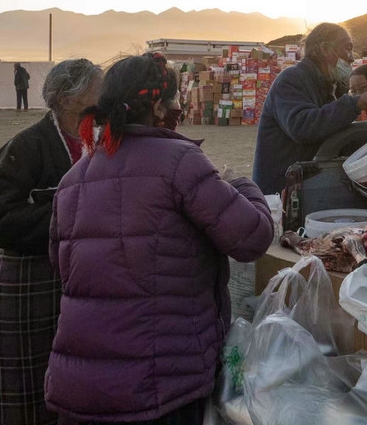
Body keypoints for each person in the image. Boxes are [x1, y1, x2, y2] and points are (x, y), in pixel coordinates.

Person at [44, 52, 274, 424]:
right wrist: (242, 185)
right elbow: (251, 238)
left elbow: (63, 266)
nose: (178, 109)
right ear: (156, 104)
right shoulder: (180, 160)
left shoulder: (74, 178)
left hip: (81, 388)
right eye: (175, 100)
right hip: (160, 387)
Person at [0, 58, 103, 425]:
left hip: (80, 286)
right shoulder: (25, 148)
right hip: (33, 288)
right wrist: (70, 217)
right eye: (92, 96)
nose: (99, 104)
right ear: (63, 98)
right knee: (31, 389)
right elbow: (4, 220)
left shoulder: (100, 140)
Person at [252, 22, 367, 195]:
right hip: (280, 192)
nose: (351, 58)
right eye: (347, 48)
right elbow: (302, 126)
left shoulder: (329, 86)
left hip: (306, 185)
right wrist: (357, 103)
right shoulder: (291, 80)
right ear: (325, 49)